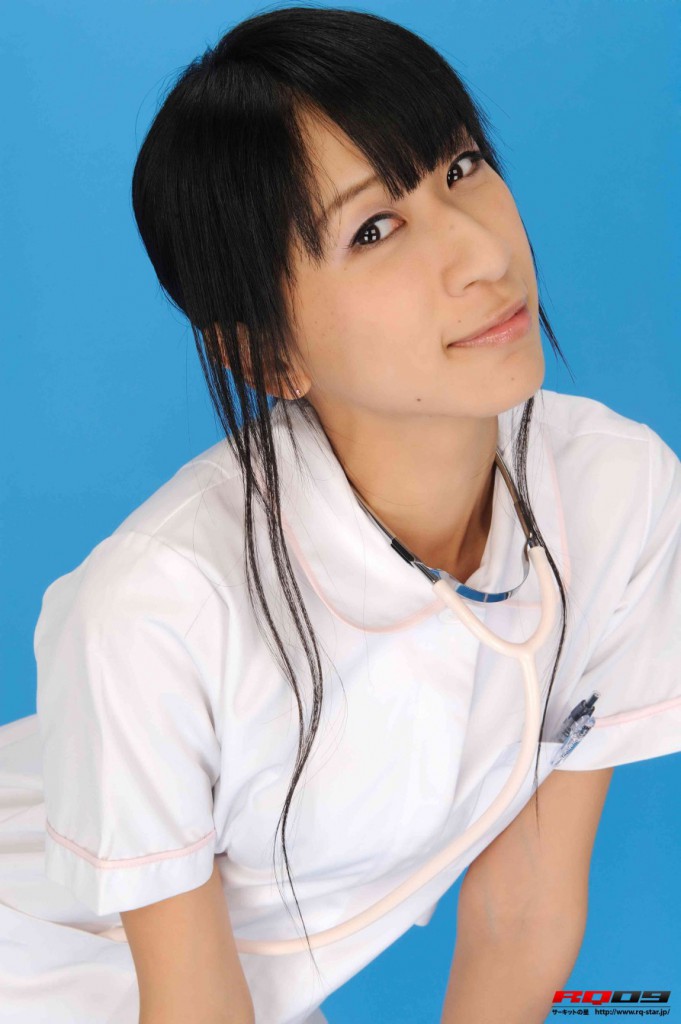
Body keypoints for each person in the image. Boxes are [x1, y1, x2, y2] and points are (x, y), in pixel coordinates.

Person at [1, 6, 679, 1024]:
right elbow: (190, 1003)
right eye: (373, 230)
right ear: (266, 354)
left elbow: (525, 907)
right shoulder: (156, 608)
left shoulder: (618, 492)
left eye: (460, 167)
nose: (480, 254)